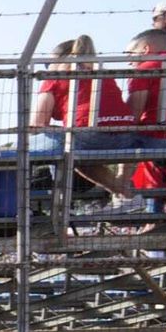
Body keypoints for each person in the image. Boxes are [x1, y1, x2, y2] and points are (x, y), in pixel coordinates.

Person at [29, 35, 145, 210]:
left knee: (59, 146)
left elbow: (36, 123)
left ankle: (60, 206)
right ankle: (124, 194)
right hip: (126, 137)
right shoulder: (103, 75)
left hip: (90, 137)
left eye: (47, 64)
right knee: (76, 144)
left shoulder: (54, 78)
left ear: (57, 61)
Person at [124, 27, 166, 194]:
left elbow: (131, 117)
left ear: (145, 49)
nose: (129, 62)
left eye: (130, 55)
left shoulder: (146, 68)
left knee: (124, 137)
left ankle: (122, 188)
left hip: (161, 140)